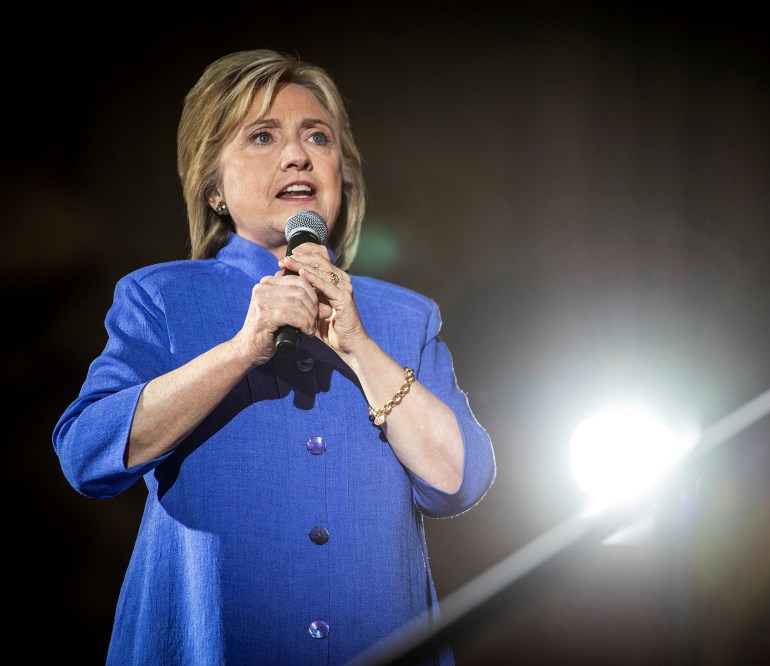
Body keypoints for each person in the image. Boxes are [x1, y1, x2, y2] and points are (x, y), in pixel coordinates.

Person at [52, 49, 496, 666]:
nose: (297, 155)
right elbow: (86, 456)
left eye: (318, 136)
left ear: (343, 171)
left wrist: (360, 346)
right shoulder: (161, 297)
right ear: (213, 188)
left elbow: (460, 480)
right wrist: (240, 351)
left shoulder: (403, 317)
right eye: (263, 137)